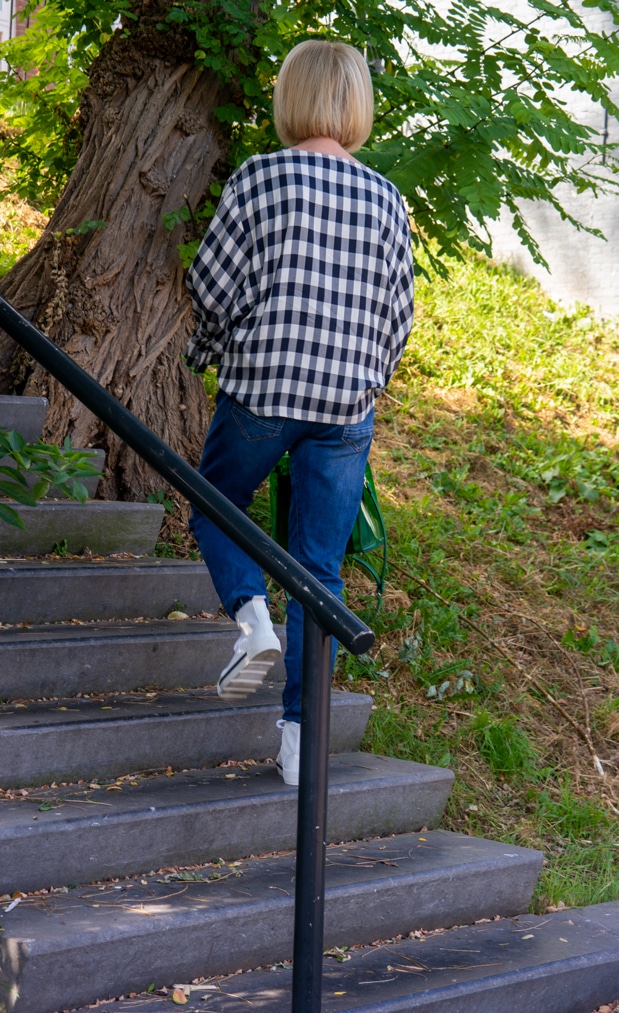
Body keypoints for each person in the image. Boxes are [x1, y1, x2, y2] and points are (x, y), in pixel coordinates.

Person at [184, 39, 414, 786]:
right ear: (357, 106)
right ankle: (298, 740)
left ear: (291, 97)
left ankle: (251, 617)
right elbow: (398, 316)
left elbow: (212, 286)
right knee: (318, 571)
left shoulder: (260, 177)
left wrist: (205, 352)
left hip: (263, 390)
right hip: (345, 406)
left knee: (215, 504)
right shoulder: (385, 198)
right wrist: (366, 381)